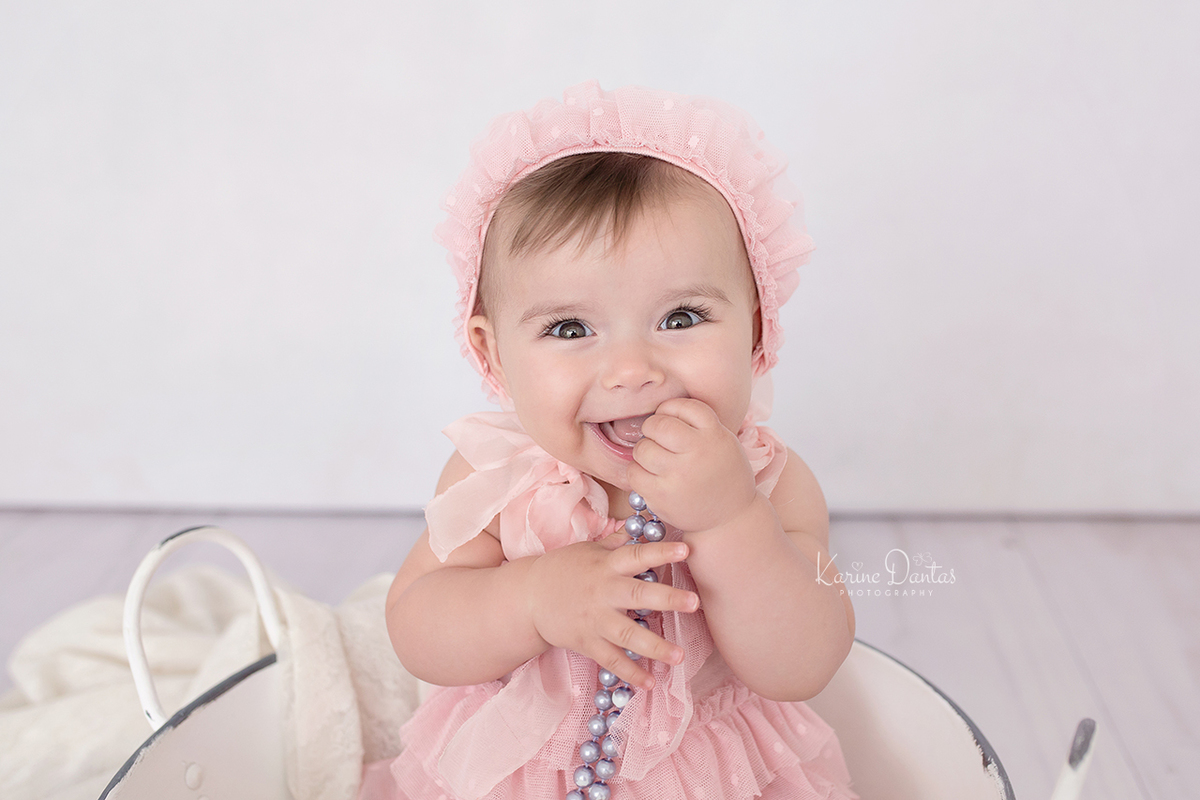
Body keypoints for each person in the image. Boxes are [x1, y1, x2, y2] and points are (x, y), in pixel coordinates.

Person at [360, 81, 858, 800]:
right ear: (493, 353)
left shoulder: (768, 481)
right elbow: (417, 627)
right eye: (570, 329)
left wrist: (731, 521)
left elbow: (802, 663)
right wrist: (530, 599)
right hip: (517, 776)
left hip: (710, 779)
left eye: (681, 318)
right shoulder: (497, 476)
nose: (631, 370)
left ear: (755, 329)